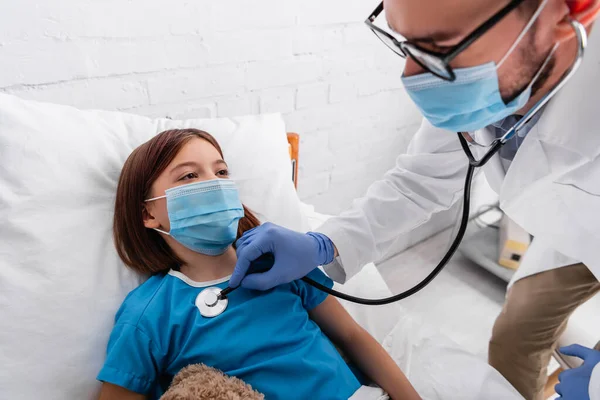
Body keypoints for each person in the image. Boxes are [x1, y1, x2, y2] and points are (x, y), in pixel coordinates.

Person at [230, 1, 600, 399]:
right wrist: (325, 243)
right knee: (518, 332)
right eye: (408, 46)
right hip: (569, 235)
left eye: (442, 49)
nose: (412, 77)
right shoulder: (486, 80)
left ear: (569, 14)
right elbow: (419, 180)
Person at [96, 128, 421, 400]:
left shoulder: (282, 263)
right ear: (148, 213)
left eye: (221, 172)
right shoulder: (149, 314)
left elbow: (352, 336)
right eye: (189, 176)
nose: (215, 183)